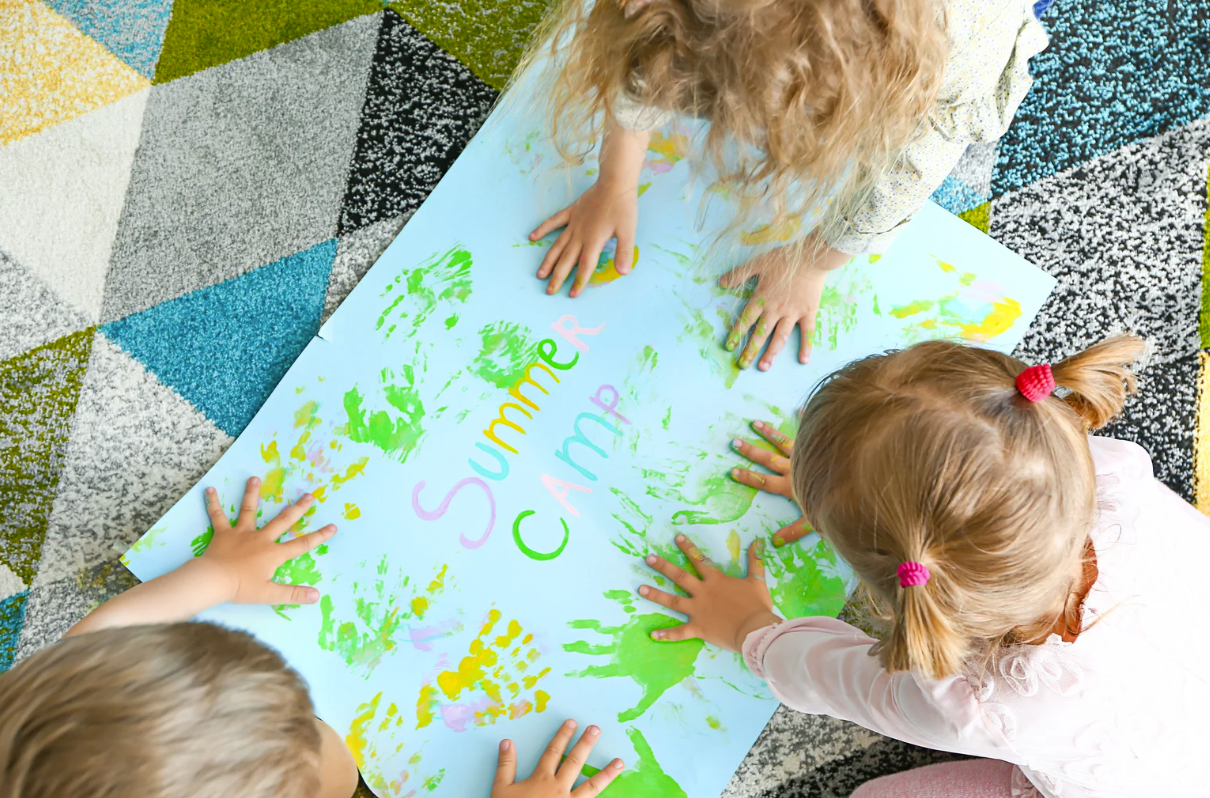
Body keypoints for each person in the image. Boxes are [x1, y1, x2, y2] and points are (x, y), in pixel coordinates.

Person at [637, 335, 1210, 797]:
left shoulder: (971, 704)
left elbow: (831, 679)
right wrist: (859, 497)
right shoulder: (1109, 472)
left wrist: (750, 631)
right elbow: (978, 485)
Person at [0, 478, 623, 798]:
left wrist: (216, 573)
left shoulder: (31, 731)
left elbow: (101, 635)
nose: (324, 725)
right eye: (312, 755)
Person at [526, 0, 1048, 372]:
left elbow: (907, 173)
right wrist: (615, 182)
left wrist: (815, 263)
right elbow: (649, 55)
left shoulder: (950, 48)